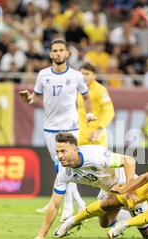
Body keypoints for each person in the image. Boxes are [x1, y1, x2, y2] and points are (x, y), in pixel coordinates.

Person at [35, 132, 148, 239]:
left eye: (63, 151)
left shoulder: (95, 155)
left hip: (130, 188)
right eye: (57, 152)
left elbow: (128, 160)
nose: (59, 156)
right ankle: (128, 217)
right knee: (105, 223)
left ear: (75, 149)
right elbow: (54, 203)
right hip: (108, 191)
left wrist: (129, 188)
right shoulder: (63, 171)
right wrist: (41, 235)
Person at [19, 39, 97, 221]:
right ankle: (79, 204)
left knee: (65, 165)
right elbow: (36, 98)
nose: (58, 53)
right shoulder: (43, 75)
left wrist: (89, 113)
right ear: (51, 54)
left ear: (67, 54)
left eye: (62, 50)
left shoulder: (76, 76)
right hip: (50, 128)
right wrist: (27, 99)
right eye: (55, 50)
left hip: (71, 126)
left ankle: (68, 208)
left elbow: (86, 96)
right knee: (61, 167)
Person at [77, 62, 115, 147]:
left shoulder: (100, 90)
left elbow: (109, 112)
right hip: (80, 137)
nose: (84, 76)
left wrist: (99, 130)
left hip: (95, 137)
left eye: (87, 74)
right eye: (82, 74)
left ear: (94, 76)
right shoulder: (77, 90)